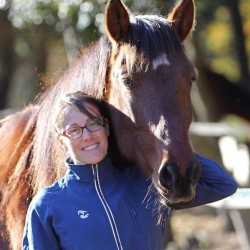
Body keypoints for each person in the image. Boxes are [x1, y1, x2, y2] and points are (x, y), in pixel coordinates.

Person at [22, 91, 237, 250]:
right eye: (74, 130)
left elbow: (221, 184)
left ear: (106, 128)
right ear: (62, 140)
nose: (87, 135)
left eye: (94, 123)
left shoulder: (145, 182)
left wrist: (165, 144)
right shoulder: (47, 205)